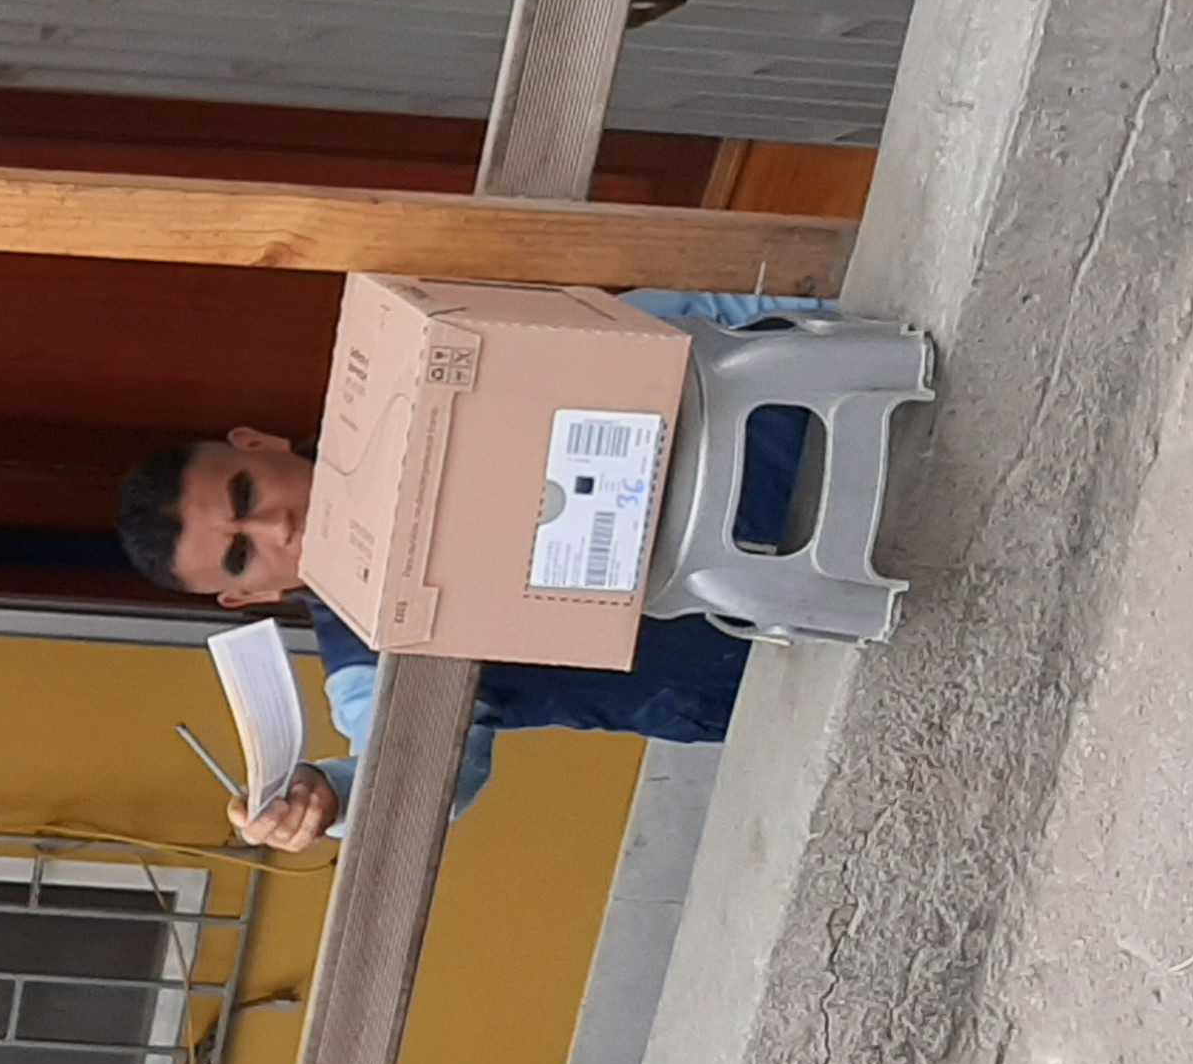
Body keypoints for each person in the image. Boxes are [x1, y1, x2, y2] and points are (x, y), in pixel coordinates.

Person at [111, 290, 816, 849]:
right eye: (243, 553)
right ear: (251, 595)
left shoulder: (425, 377)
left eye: (247, 495)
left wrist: (831, 322)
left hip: (815, 432)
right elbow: (414, 772)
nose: (278, 527)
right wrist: (329, 797)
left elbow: (671, 318)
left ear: (257, 442)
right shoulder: (368, 657)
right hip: (798, 655)